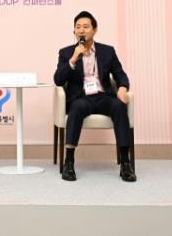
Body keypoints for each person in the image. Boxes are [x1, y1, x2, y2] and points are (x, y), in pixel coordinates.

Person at [54, 11, 136, 182]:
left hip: (103, 96)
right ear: (74, 32)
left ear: (95, 29)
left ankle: (125, 164)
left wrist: (122, 87)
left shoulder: (107, 51)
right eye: (78, 27)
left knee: (120, 107)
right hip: (81, 98)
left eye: (86, 26)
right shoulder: (66, 52)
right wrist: (74, 57)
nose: (81, 30)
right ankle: (69, 162)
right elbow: (58, 79)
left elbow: (120, 74)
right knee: (76, 108)